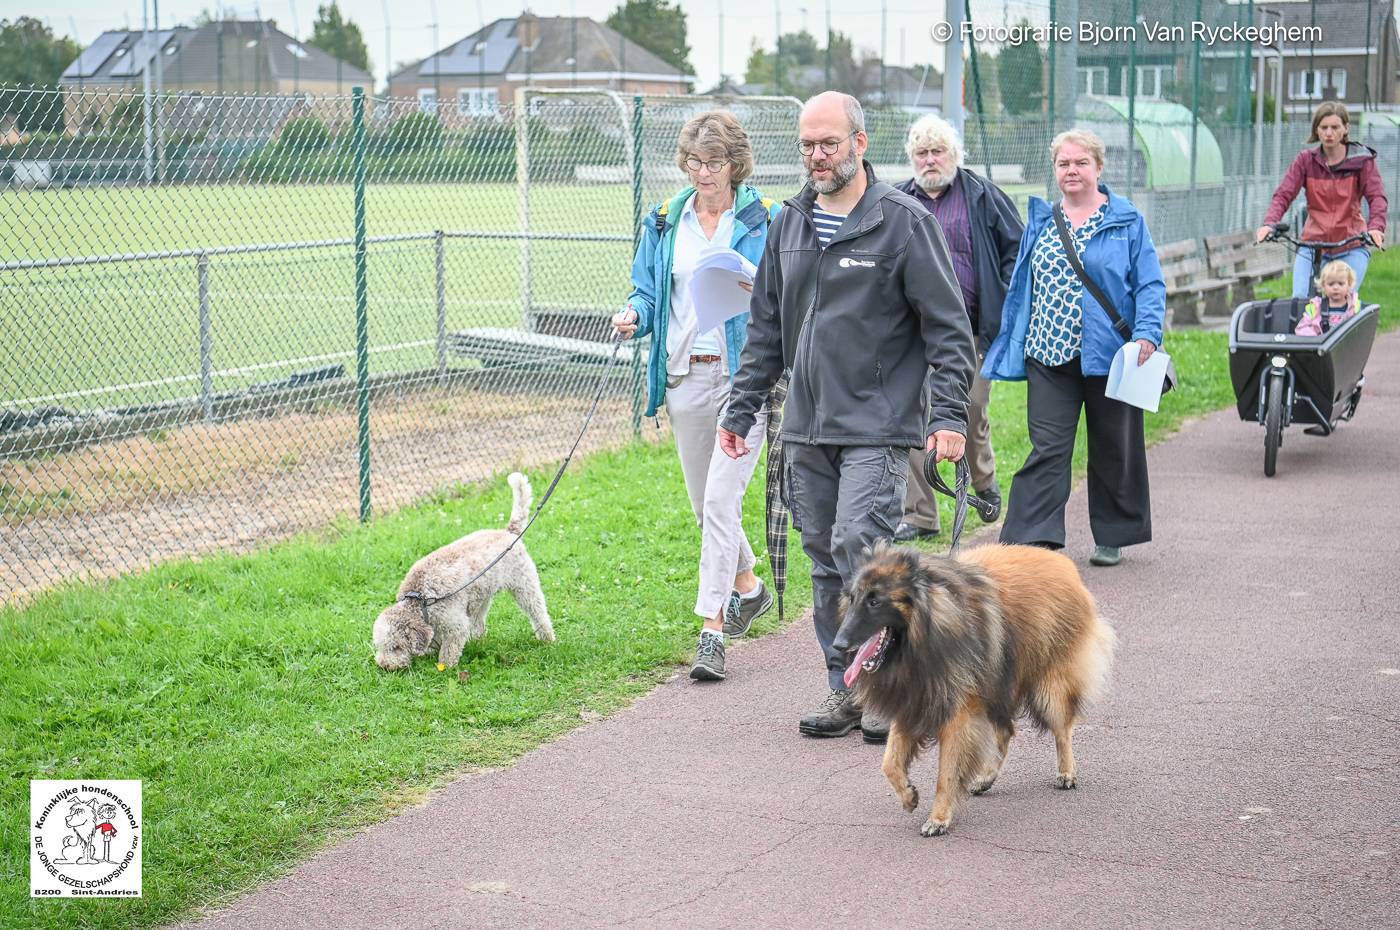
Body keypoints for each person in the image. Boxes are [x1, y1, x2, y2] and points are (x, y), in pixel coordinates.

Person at [717, 91, 975, 741]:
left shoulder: (902, 221)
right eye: (807, 144)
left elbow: (948, 330)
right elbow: (766, 328)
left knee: (859, 549)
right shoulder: (791, 223)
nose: (817, 156)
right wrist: (742, 406)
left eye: (829, 143)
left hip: (878, 425)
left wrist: (948, 415)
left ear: (860, 144)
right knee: (824, 562)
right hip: (806, 425)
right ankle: (849, 689)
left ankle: (895, 685)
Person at [611, 110, 781, 683]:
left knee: (718, 503)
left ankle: (711, 630)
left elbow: (787, 291)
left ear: (736, 164)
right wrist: (636, 313)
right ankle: (749, 587)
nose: (701, 172)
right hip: (685, 376)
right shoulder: (665, 221)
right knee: (705, 505)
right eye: (693, 162)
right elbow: (648, 288)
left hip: (746, 381)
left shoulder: (766, 219)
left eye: (713, 162)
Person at [982, 130, 1166, 568]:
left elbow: (1150, 283)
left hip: (1109, 356)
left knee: (1113, 447)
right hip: (1048, 353)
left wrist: (1147, 333)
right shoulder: (1044, 220)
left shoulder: (1125, 220)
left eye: (1080, 163)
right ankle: (1030, 541)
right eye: (1064, 164)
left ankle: (1113, 535)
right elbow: (1024, 283)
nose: (1071, 171)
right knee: (1047, 447)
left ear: (1098, 168)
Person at [892, 114, 1024, 542]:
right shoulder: (895, 201)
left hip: (971, 331)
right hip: (911, 334)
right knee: (911, 417)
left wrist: (1003, 298)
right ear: (912, 158)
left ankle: (983, 482)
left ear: (954, 155)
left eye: (938, 151)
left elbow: (1016, 251)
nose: (930, 160)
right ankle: (920, 513)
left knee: (968, 410)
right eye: (922, 153)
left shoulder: (982, 196)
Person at [1257, 101, 1387, 298]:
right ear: (1316, 130)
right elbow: (1284, 194)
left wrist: (1376, 227)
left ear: (1345, 129)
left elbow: (1377, 197)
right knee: (1301, 299)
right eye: (1323, 127)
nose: (1329, 133)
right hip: (1312, 245)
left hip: (1351, 245)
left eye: (1334, 127)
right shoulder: (1305, 161)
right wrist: (1269, 223)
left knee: (1343, 299)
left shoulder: (1362, 161)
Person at [1294, 259, 1361, 336]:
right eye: (1331, 284)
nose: (1336, 287)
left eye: (1340, 283)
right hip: (1321, 345)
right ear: (1323, 286)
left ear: (1349, 284)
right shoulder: (1316, 307)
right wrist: (1315, 339)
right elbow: (1302, 328)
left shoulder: (1354, 307)